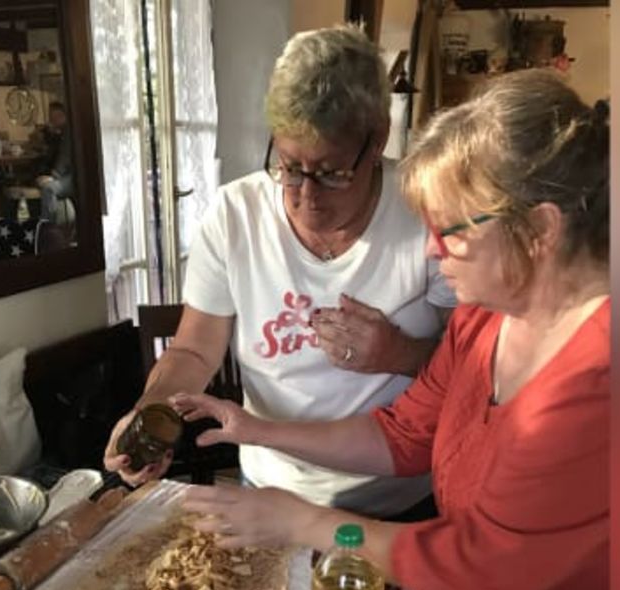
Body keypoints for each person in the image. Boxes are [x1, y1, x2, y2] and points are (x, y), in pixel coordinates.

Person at [174, 69, 610, 590]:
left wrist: (300, 522)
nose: (431, 252)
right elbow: (401, 435)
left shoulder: (602, 374)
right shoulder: (482, 319)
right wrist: (254, 428)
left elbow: (480, 562)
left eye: (452, 229)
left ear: (540, 230)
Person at [103, 24, 456, 522]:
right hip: (272, 494)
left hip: (397, 499)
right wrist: (152, 410)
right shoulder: (234, 215)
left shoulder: (428, 208)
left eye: (332, 172)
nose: (306, 197)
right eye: (290, 167)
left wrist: (398, 353)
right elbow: (193, 349)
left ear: (376, 140)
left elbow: (474, 368)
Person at [36, 101, 74, 223]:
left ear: (61, 116)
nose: (51, 120)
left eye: (53, 117)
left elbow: (65, 157)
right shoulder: (61, 132)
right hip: (66, 174)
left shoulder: (69, 132)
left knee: (48, 189)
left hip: (74, 177)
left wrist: (53, 177)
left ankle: (48, 229)